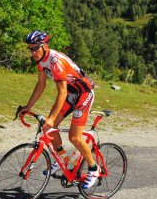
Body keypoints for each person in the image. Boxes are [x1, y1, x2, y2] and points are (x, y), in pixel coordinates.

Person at [20, 30, 100, 189]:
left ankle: (93, 168)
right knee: (50, 128)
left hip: (84, 94)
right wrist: (27, 107)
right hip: (72, 93)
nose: (33, 52)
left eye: (35, 48)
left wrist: (50, 117)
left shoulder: (55, 61)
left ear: (44, 46)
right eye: (30, 49)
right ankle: (62, 158)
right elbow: (41, 85)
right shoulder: (41, 60)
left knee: (74, 137)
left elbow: (62, 91)